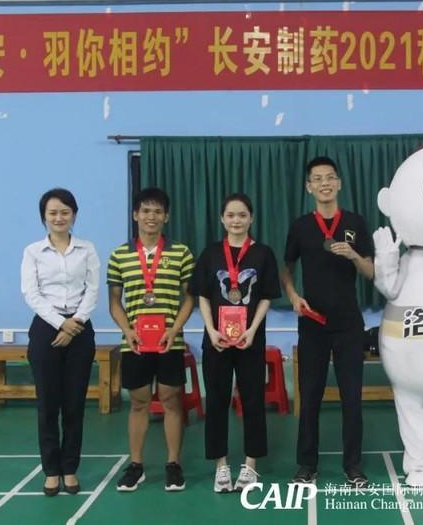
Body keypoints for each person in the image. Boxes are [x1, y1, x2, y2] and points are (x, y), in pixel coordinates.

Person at [281, 156, 375, 487]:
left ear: (339, 183)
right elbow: (287, 268)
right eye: (318, 179)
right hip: (313, 323)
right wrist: (293, 296)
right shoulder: (300, 226)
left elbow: (371, 271)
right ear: (309, 187)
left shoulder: (355, 222)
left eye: (330, 177)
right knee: (310, 396)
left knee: (352, 397)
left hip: (349, 323)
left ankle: (353, 465)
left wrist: (354, 255)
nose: (325, 183)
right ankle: (307, 465)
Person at [192, 193, 282, 493]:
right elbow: (203, 295)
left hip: (249, 341)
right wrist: (211, 329)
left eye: (242, 215)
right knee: (217, 402)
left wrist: (253, 330)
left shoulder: (263, 253)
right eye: (230, 215)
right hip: (216, 341)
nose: (236, 220)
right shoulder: (211, 253)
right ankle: (221, 466)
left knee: (253, 401)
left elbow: (267, 296)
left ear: (251, 218)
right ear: (222, 219)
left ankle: (250, 465)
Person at [108, 187, 195, 492]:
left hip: (170, 341)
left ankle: (173, 464)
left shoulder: (181, 253)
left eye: (158, 211)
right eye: (145, 211)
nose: (151, 216)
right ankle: (136, 465)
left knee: (172, 401)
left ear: (166, 217)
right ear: (135, 215)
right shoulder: (119, 255)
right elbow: (114, 301)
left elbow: (190, 298)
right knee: (139, 403)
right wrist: (128, 330)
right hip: (134, 343)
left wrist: (175, 329)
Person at [21, 188, 100, 496]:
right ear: (44, 216)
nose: (59, 217)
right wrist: (60, 323)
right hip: (46, 329)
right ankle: (51, 470)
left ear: (74, 215)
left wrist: (74, 323)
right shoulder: (32, 252)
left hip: (80, 329)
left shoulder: (87, 249)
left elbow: (92, 289)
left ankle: (70, 468)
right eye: (53, 212)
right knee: (47, 404)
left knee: (74, 404)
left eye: (65, 212)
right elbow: (31, 293)